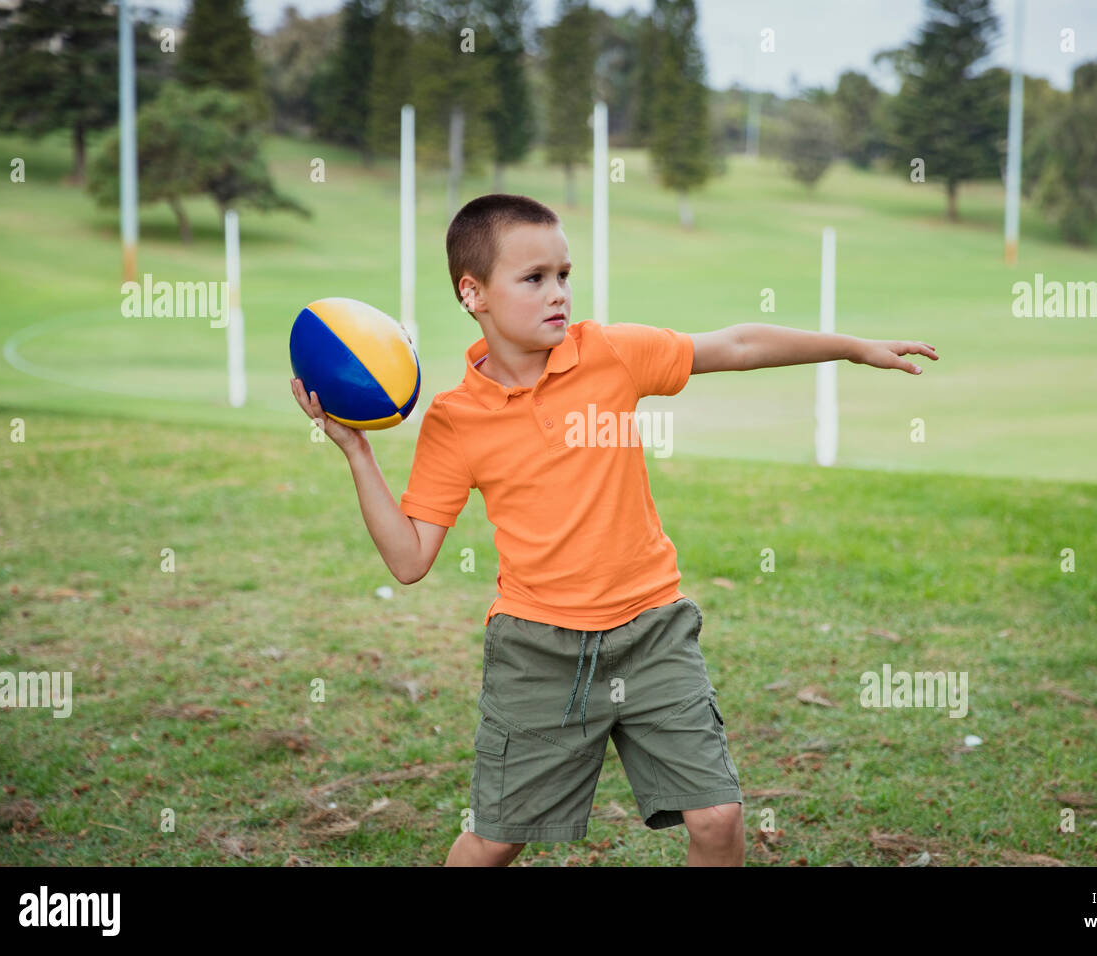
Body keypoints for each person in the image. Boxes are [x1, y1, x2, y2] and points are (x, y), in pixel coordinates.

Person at [291, 193, 938, 867]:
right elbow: (409, 559)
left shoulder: (609, 355)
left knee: (718, 819)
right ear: (473, 292)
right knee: (494, 840)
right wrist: (356, 451)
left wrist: (854, 348)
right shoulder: (456, 420)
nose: (558, 294)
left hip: (652, 632)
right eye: (534, 278)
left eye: (564, 275)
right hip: (536, 651)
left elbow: (737, 344)